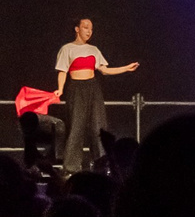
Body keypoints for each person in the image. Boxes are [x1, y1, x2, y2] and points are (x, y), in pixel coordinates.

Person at [50, 18, 137, 175]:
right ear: (77, 29)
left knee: (98, 126)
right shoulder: (67, 48)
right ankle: (71, 168)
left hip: (93, 87)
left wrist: (126, 68)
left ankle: (101, 165)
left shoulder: (94, 49)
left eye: (91, 28)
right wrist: (60, 89)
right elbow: (62, 71)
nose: (89, 31)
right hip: (76, 88)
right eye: (85, 27)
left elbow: (105, 70)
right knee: (76, 126)